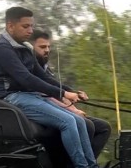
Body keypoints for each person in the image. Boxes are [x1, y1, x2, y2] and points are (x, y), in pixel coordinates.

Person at [0, 6, 101, 168]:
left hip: (26, 96)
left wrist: (69, 91)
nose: (30, 30)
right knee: (67, 121)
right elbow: (26, 79)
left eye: (31, 26)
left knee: (78, 120)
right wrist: (62, 93)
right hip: (8, 99)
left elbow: (42, 76)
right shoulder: (1, 48)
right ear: (10, 25)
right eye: (25, 26)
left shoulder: (24, 47)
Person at [30, 29, 112, 159]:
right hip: (40, 112)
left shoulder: (46, 69)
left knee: (104, 127)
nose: (47, 50)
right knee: (87, 125)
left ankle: (88, 165)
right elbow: (44, 95)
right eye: (42, 47)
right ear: (31, 47)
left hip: (57, 108)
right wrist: (73, 110)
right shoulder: (31, 68)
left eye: (48, 47)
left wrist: (75, 95)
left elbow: (58, 90)